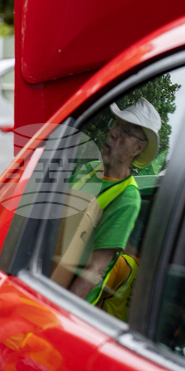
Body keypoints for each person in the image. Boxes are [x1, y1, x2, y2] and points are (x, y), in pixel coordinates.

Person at [67, 99, 160, 306]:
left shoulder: (127, 197)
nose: (114, 133)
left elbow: (96, 269)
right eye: (116, 124)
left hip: (68, 299)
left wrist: (60, 309)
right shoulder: (89, 169)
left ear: (138, 147)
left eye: (126, 131)